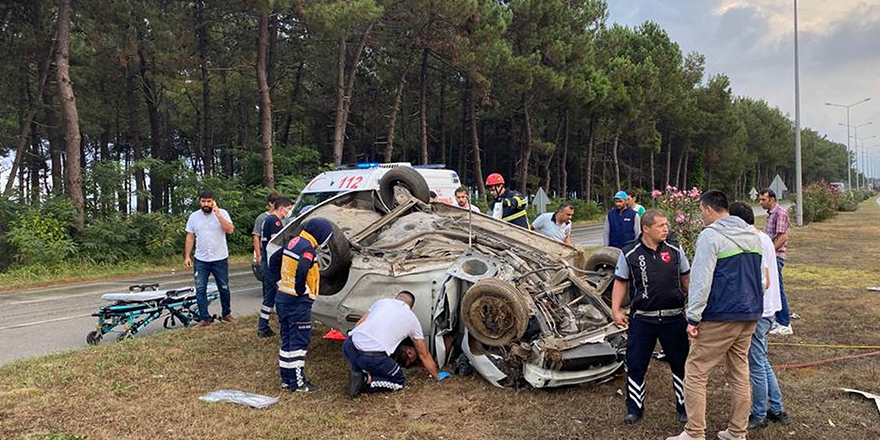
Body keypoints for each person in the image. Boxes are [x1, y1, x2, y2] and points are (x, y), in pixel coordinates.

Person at [667, 190, 764, 440]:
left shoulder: (711, 236)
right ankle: (737, 432)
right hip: (749, 314)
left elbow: (701, 280)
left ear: (709, 209)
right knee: (740, 372)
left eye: (701, 211)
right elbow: (761, 279)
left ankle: (694, 432)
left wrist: (693, 317)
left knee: (696, 371)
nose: (701, 216)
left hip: (720, 315)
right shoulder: (754, 235)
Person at [612, 210, 690, 425]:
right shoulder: (629, 252)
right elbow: (621, 281)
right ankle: (634, 409)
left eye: (667, 224)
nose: (666, 229)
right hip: (642, 319)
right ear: (646, 228)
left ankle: (684, 406)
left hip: (674, 318)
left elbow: (686, 278)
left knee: (681, 364)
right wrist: (616, 310)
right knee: (636, 364)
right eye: (661, 225)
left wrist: (694, 308)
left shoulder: (675, 249)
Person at [728, 202, 790, 430]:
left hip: (759, 310)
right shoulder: (762, 237)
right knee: (762, 360)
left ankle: (759, 413)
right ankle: (776, 408)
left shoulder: (752, 241)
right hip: (768, 308)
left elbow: (763, 280)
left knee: (755, 363)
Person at [269, 217, 335, 392]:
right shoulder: (308, 249)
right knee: (299, 341)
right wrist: (299, 289)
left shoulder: (294, 242)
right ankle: (298, 383)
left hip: (283, 297)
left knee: (288, 340)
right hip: (297, 302)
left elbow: (273, 260)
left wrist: (279, 281)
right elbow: (303, 267)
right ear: (320, 235)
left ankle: (287, 379)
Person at [343, 291, 448, 398]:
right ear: (410, 306)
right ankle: (364, 380)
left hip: (349, 345)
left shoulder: (381, 302)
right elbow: (424, 354)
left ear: (396, 298)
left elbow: (359, 324)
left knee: (360, 355)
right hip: (371, 356)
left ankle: (356, 371)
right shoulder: (412, 319)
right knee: (398, 381)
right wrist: (436, 375)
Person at [184, 189, 235, 327]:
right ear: (199, 202)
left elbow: (230, 230)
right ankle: (204, 319)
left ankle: (226, 314)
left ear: (213, 201)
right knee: (200, 289)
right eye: (203, 201)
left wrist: (218, 214)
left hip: (220, 258)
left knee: (223, 287)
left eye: (208, 201)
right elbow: (190, 236)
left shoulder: (222, 213)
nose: (206, 204)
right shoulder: (194, 217)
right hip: (201, 259)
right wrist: (187, 256)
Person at [257, 196, 293, 338]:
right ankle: (284, 326)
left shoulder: (266, 220)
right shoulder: (275, 222)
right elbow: (276, 242)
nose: (289, 212)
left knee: (269, 297)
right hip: (272, 264)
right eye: (289, 209)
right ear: (281, 208)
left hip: (266, 262)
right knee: (281, 295)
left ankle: (263, 326)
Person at [759, 188, 793, 335]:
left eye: (763, 200)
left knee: (778, 289)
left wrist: (770, 253)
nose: (761, 202)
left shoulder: (780, 213)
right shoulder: (771, 214)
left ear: (772, 199)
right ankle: (776, 320)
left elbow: (783, 237)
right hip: (771, 256)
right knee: (772, 288)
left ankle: (784, 323)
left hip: (776, 256)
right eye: (760, 200)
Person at [252, 192, 280, 268]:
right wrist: (258, 255)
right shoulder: (261, 218)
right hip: (264, 251)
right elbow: (256, 237)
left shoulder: (284, 218)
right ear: (270, 204)